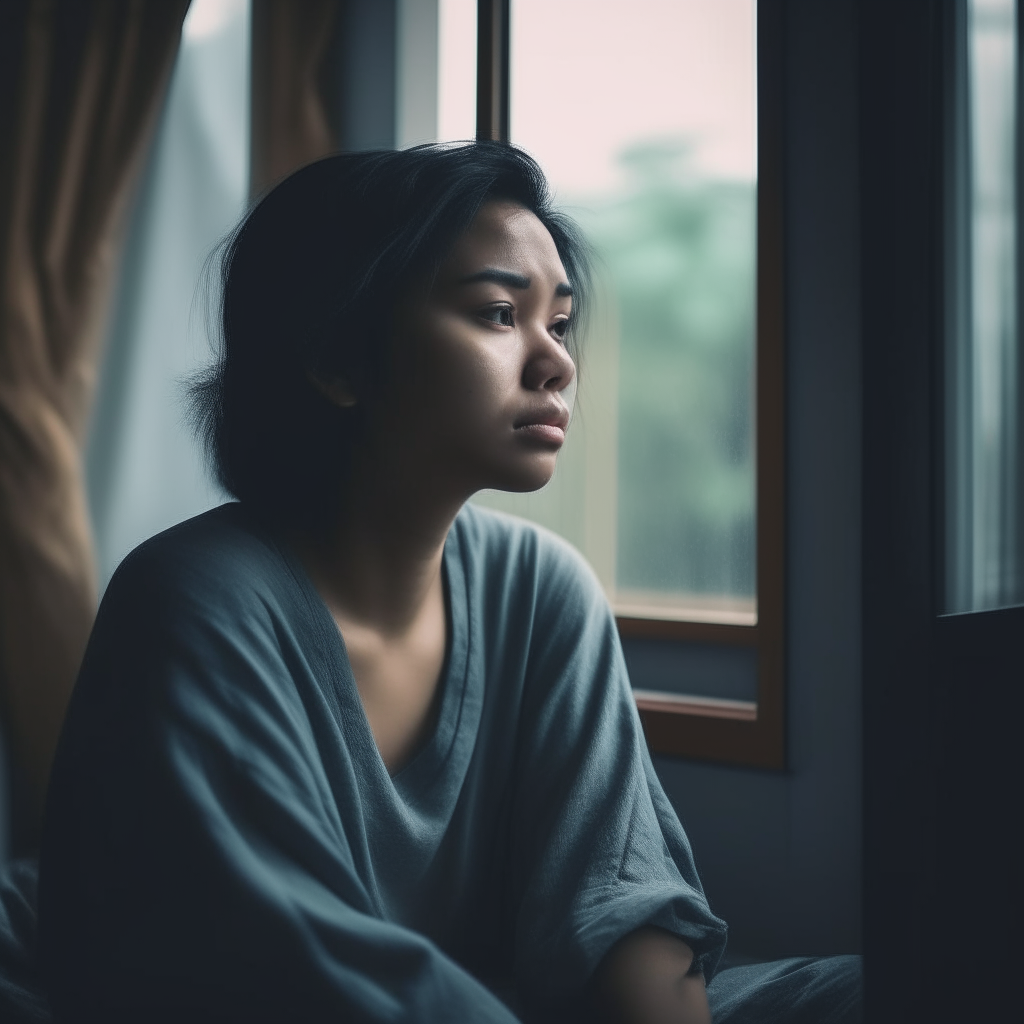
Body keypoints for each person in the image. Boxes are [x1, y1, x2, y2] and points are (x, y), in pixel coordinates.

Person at [35, 142, 860, 1023]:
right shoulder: (194, 602)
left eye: (560, 321)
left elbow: (622, 904)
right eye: (501, 314)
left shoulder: (545, 589)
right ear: (337, 357)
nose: (556, 363)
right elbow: (282, 968)